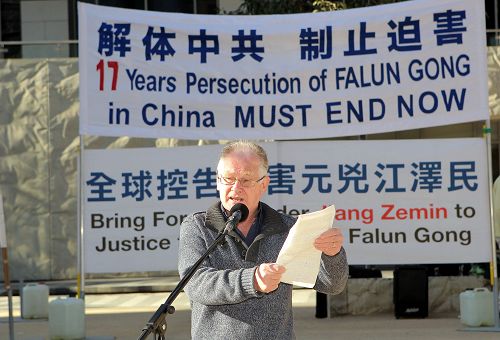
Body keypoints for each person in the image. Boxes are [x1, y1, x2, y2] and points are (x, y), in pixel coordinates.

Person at [178, 140, 348, 339]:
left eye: (246, 180)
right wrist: (252, 280)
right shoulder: (197, 226)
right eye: (228, 179)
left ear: (264, 184)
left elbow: (332, 285)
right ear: (217, 181)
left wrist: (332, 254)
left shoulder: (287, 228)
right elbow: (195, 283)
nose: (235, 188)